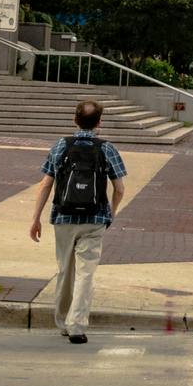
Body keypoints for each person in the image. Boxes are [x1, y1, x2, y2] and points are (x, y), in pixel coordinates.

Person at [28, 100, 127, 345]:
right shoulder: (107, 149)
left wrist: (36, 218)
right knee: (86, 273)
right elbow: (120, 188)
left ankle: (62, 320)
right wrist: (110, 213)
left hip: (63, 217)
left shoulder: (61, 145)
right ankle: (77, 325)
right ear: (99, 123)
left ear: (75, 120)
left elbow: (46, 184)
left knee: (65, 270)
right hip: (94, 219)